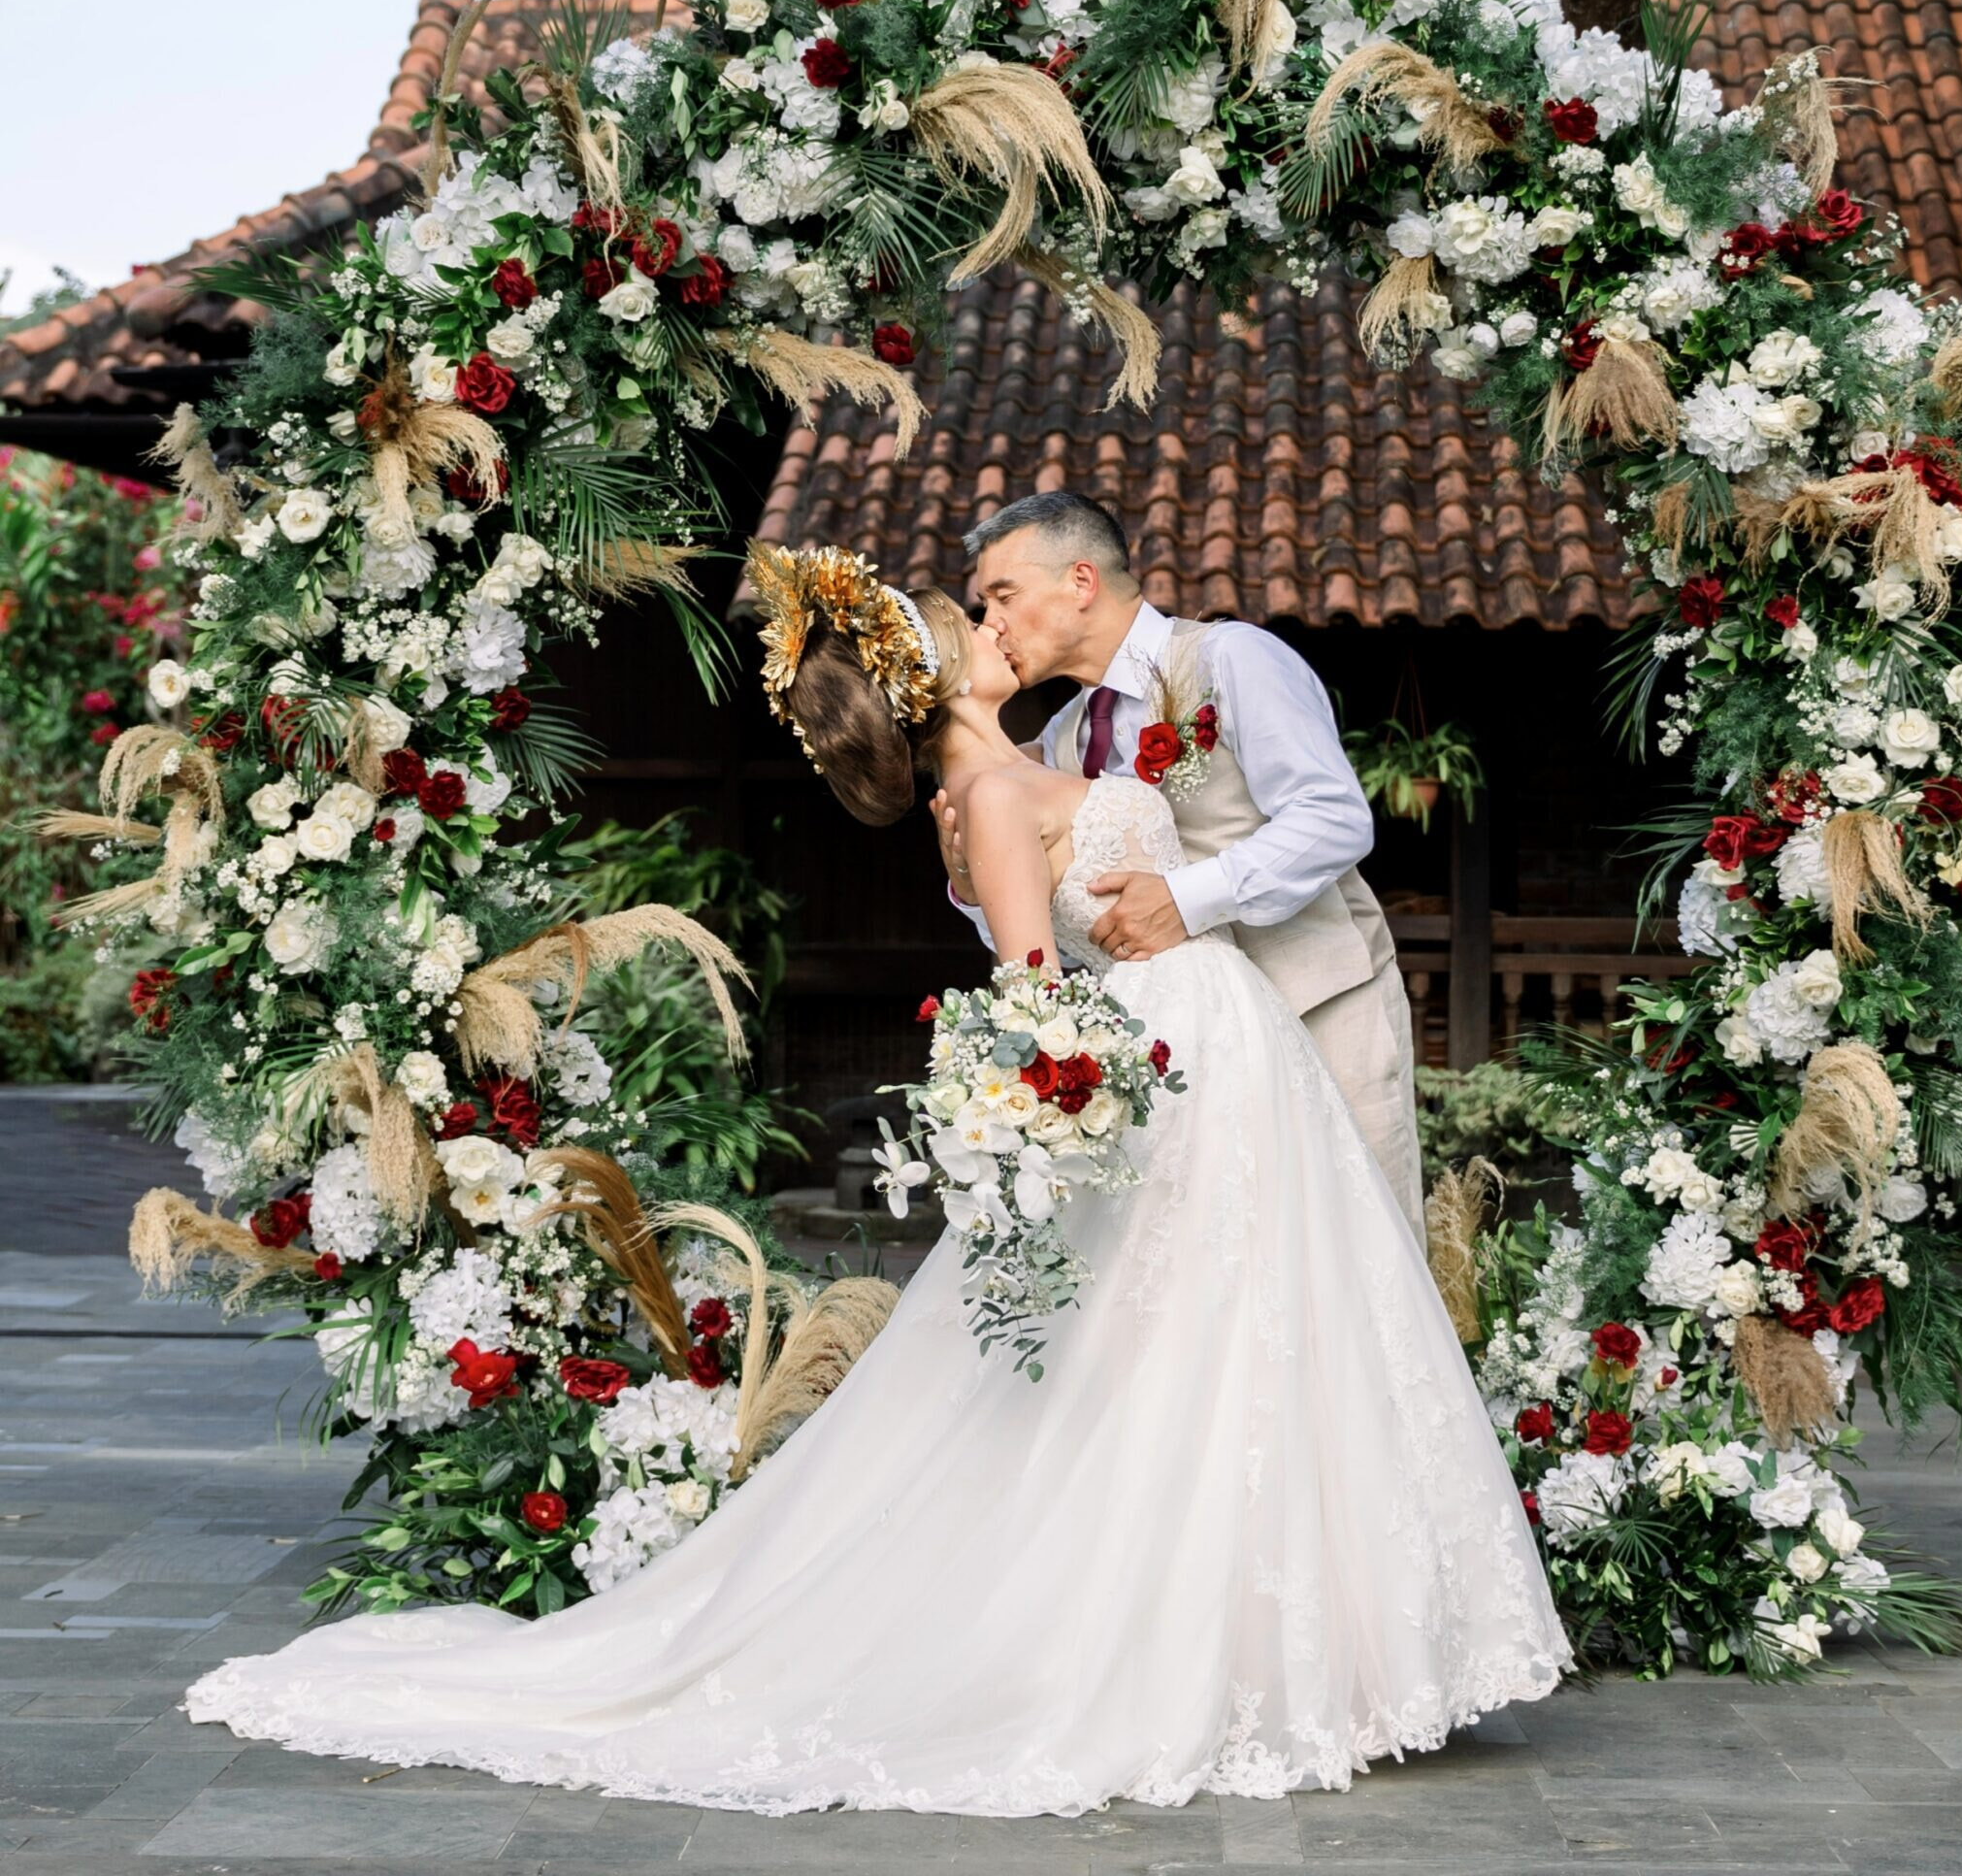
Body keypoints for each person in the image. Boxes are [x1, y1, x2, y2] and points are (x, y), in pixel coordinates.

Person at [184, 547, 1565, 1815]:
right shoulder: (990, 798)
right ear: (941, 668)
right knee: (1195, 1358)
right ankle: (1241, 1658)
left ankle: (1323, 1654)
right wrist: (1059, 1103)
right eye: (980, 617)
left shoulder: (1027, 765)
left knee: (1255, 1346)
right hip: (1179, 1061)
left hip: (1224, 1055)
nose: (1000, 622)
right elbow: (1033, 990)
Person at [946, 491, 1425, 1232]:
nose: (991, 625)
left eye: (1002, 595)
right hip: (1190, 1056)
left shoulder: (1232, 658)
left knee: (1356, 1248)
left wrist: (1186, 896)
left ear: (1080, 582)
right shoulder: (1068, 733)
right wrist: (972, 887)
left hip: (1319, 1005)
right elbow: (1052, 920)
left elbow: (1333, 818)